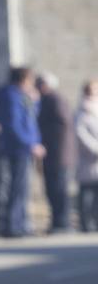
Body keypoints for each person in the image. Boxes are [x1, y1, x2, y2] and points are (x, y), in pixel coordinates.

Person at [0, 67, 45, 237]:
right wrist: (30, 144)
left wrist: (35, 101)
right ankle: (13, 225)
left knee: (22, 189)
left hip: (23, 148)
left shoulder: (22, 96)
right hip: (16, 148)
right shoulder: (11, 96)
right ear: (23, 79)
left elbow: (31, 117)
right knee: (16, 188)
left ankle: (21, 223)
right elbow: (14, 124)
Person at [36, 73, 75, 232]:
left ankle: (62, 222)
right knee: (52, 189)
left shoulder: (55, 99)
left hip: (59, 154)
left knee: (59, 190)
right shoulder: (46, 100)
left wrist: (45, 140)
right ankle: (57, 221)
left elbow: (62, 124)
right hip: (53, 154)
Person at [75, 80, 98, 232]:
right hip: (88, 158)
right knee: (87, 192)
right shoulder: (83, 110)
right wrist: (95, 149)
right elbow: (80, 133)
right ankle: (86, 222)